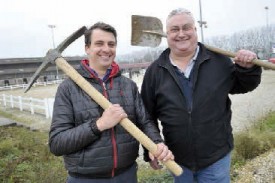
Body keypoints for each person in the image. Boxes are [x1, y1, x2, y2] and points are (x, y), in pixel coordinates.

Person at [141, 8, 262, 183]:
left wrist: (247, 69)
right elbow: (146, 115)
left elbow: (243, 85)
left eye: (186, 27)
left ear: (195, 30)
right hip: (178, 160)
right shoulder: (155, 71)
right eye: (175, 29)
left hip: (216, 158)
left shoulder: (218, 61)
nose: (181, 34)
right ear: (166, 34)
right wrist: (150, 148)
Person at [49, 22, 174, 183]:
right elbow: (57, 143)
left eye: (111, 44)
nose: (106, 49)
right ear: (87, 48)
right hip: (85, 179)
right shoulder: (68, 89)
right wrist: (99, 124)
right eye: (99, 44)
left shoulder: (128, 85)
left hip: (127, 175)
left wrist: (155, 144)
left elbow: (145, 122)